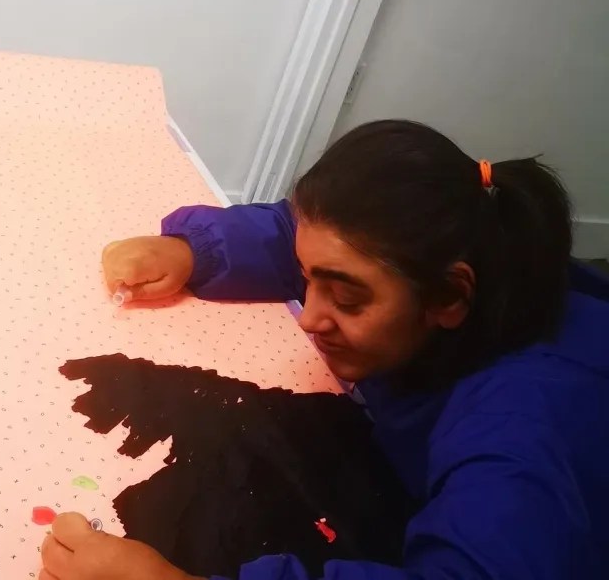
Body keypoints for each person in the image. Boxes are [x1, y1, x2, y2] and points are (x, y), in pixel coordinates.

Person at [40, 120, 609, 580]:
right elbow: (299, 235)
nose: (310, 318)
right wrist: (193, 251)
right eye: (307, 277)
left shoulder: (525, 428)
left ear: (450, 295)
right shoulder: (431, 264)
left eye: (347, 299)